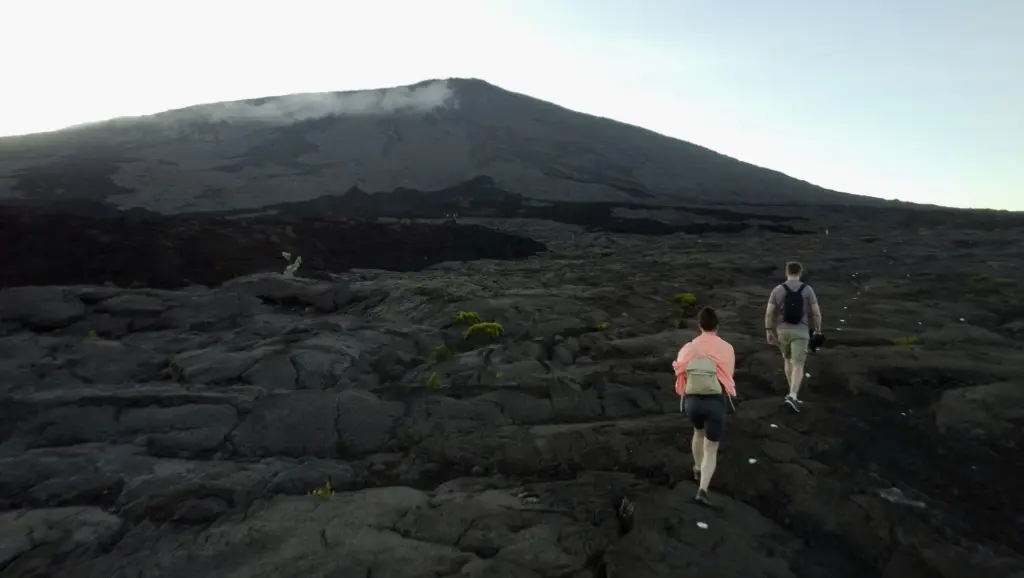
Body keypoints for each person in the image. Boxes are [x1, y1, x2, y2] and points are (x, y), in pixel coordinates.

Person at [672, 307, 736, 506]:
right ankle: (702, 490)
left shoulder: (688, 348)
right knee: (712, 447)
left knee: (698, 432)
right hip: (715, 402)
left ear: (699, 326)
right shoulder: (727, 348)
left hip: (692, 402)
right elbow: (728, 376)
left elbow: (679, 371)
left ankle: (697, 468)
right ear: (717, 326)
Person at [764, 261, 823, 412]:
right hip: (801, 331)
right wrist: (817, 330)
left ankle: (791, 393)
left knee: (787, 360)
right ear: (800, 273)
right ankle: (793, 394)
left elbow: (770, 312)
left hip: (782, 331)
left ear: (786, 272)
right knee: (798, 364)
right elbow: (816, 312)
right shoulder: (807, 289)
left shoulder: (778, 290)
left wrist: (769, 330)